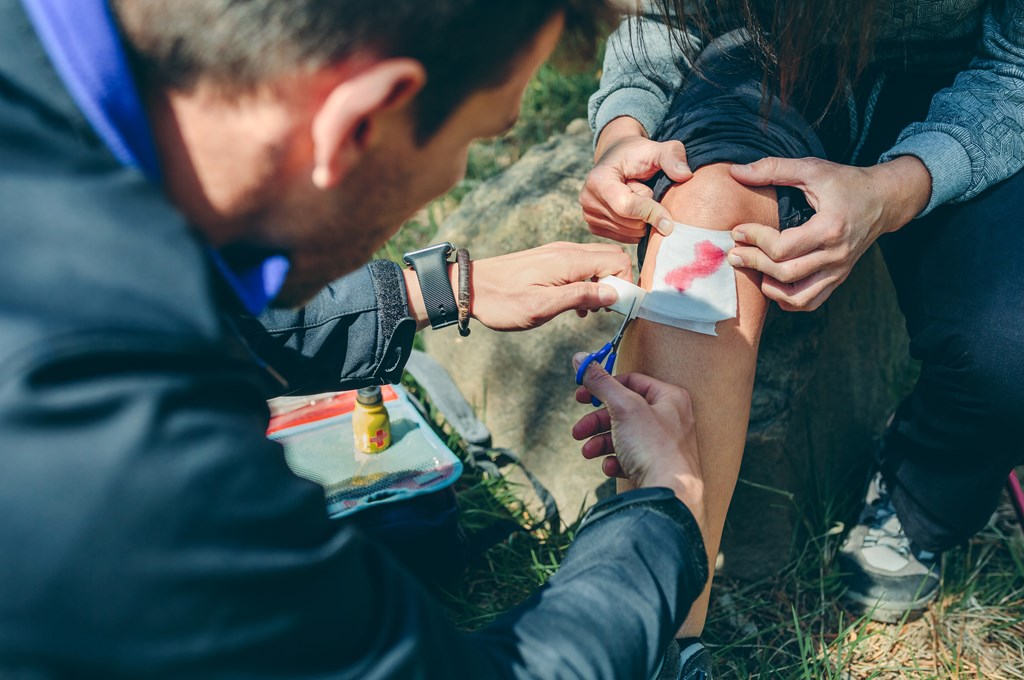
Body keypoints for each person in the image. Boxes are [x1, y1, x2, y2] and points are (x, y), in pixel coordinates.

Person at [0, 0, 713, 677]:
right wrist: (664, 510)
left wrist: (423, 293)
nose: (458, 176)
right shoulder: (111, 432)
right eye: (474, 138)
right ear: (359, 122)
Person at [582, 0, 1024, 662]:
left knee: (1007, 354)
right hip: (768, 56)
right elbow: (659, 19)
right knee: (697, 227)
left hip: (975, 72)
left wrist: (896, 190)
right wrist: (620, 135)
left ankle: (923, 497)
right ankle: (658, 647)